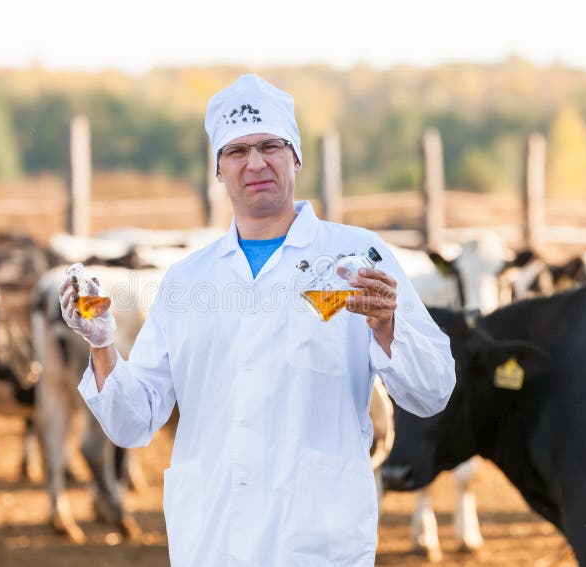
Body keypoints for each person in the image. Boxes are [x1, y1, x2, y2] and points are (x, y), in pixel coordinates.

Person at [59, 74, 456, 567]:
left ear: (296, 156)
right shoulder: (186, 282)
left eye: (270, 145)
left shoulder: (357, 257)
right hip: (212, 538)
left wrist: (387, 326)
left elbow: (433, 390)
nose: (256, 162)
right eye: (237, 151)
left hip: (317, 540)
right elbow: (134, 421)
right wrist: (102, 344)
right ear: (218, 169)